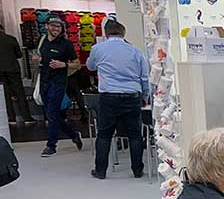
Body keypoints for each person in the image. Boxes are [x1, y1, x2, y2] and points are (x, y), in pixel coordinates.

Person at [85, 20, 149, 179]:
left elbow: (90, 67)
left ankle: (100, 171)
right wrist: (145, 96)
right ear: (123, 33)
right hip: (132, 95)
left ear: (106, 33)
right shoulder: (135, 50)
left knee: (104, 135)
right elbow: (144, 77)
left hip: (108, 96)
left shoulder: (97, 49)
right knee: (135, 135)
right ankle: (137, 170)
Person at [33, 16, 83, 157]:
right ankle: (73, 134)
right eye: (53, 25)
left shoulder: (66, 44)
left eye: (59, 26)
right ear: (47, 26)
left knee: (52, 114)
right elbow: (37, 57)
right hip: (43, 81)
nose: (56, 28)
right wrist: (37, 60)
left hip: (58, 83)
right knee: (51, 114)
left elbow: (77, 64)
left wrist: (63, 64)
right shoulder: (41, 40)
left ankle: (51, 146)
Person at [0, 24, 36, 124]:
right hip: (13, 69)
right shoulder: (11, 39)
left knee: (5, 94)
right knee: (20, 93)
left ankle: (11, 118)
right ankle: (27, 118)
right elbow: (19, 55)